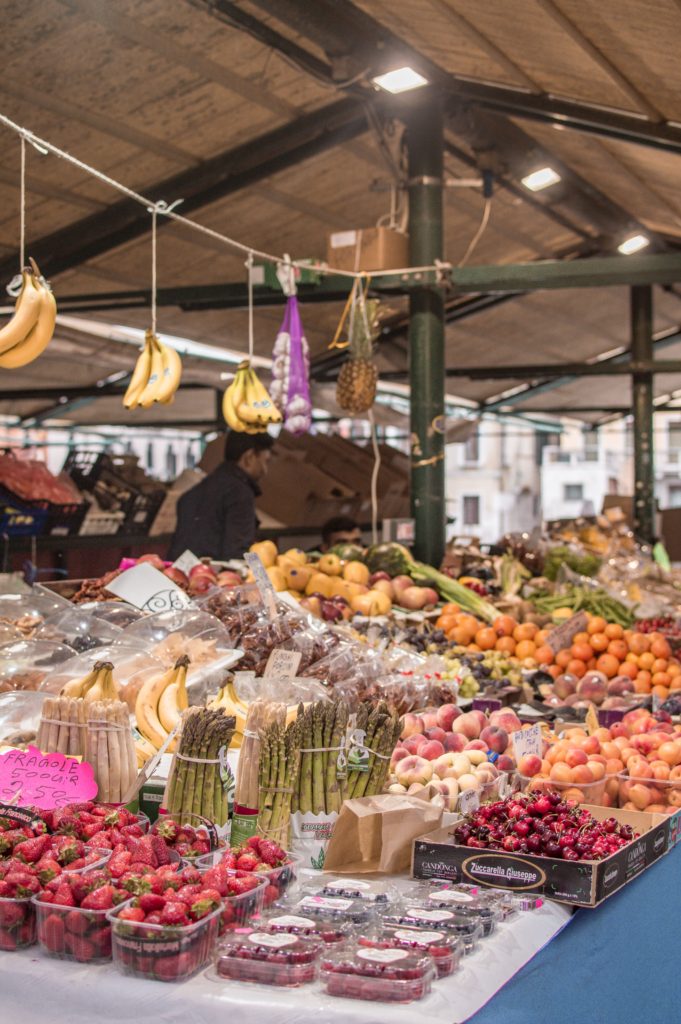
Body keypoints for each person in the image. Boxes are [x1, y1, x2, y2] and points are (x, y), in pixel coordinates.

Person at [168, 431, 274, 561]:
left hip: (180, 576)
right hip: (214, 577)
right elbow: (239, 553)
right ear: (249, 457)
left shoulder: (197, 491)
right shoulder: (240, 494)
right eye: (265, 461)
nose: (265, 470)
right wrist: (263, 577)